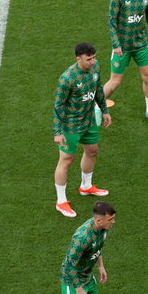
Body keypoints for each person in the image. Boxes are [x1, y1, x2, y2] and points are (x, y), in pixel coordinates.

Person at [52, 42, 111, 218]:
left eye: (94, 57)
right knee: (66, 159)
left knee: (93, 151)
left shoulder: (96, 67)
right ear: (79, 58)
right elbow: (58, 105)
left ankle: (86, 186)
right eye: (88, 59)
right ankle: (61, 201)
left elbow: (98, 89)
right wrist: (57, 131)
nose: (93, 61)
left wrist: (105, 110)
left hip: (89, 120)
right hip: (71, 125)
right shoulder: (67, 79)